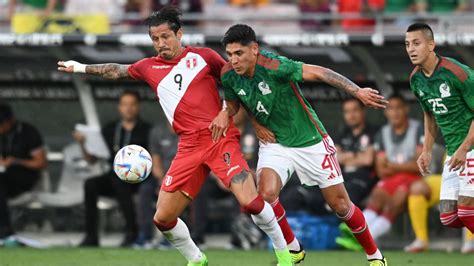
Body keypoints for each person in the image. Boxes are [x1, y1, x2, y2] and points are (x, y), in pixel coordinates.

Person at [58, 6, 293, 266]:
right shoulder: (148, 67)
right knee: (163, 218)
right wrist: (80, 68)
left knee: (250, 202)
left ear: (179, 34)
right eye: (155, 39)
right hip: (188, 147)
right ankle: (197, 259)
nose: (160, 44)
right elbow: (116, 70)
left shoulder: (204, 57)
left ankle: (285, 255)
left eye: (165, 37)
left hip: (219, 139)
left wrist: (233, 114)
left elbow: (236, 84)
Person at [217, 23, 388, 266]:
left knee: (340, 206)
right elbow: (237, 103)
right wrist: (229, 113)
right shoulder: (228, 74)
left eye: (239, 53)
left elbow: (319, 72)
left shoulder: (275, 66)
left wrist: (357, 91)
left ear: (254, 49)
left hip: (310, 141)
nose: (233, 60)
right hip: (275, 144)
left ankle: (375, 256)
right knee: (266, 194)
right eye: (230, 54)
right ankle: (294, 248)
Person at [406, 22, 474, 244]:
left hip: (470, 147)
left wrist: (465, 149)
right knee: (449, 216)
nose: (411, 49)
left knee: (466, 212)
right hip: (453, 152)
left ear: (431, 45)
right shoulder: (416, 79)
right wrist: (426, 150)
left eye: (416, 43)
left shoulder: (457, 73)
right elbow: (430, 114)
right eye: (407, 44)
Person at [73, 90, 151, 247]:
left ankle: (132, 232)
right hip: (114, 177)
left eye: (132, 104)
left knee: (120, 182)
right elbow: (92, 159)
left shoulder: (147, 130)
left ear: (138, 107)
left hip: (140, 179)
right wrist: (82, 143)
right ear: (119, 107)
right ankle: (91, 236)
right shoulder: (110, 129)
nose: (128, 108)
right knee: (91, 184)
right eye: (124, 104)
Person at [0, 102, 48, 242]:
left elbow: (41, 162)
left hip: (25, 176)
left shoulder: (28, 132)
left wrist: (16, 161)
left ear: (10, 121)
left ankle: (5, 229)